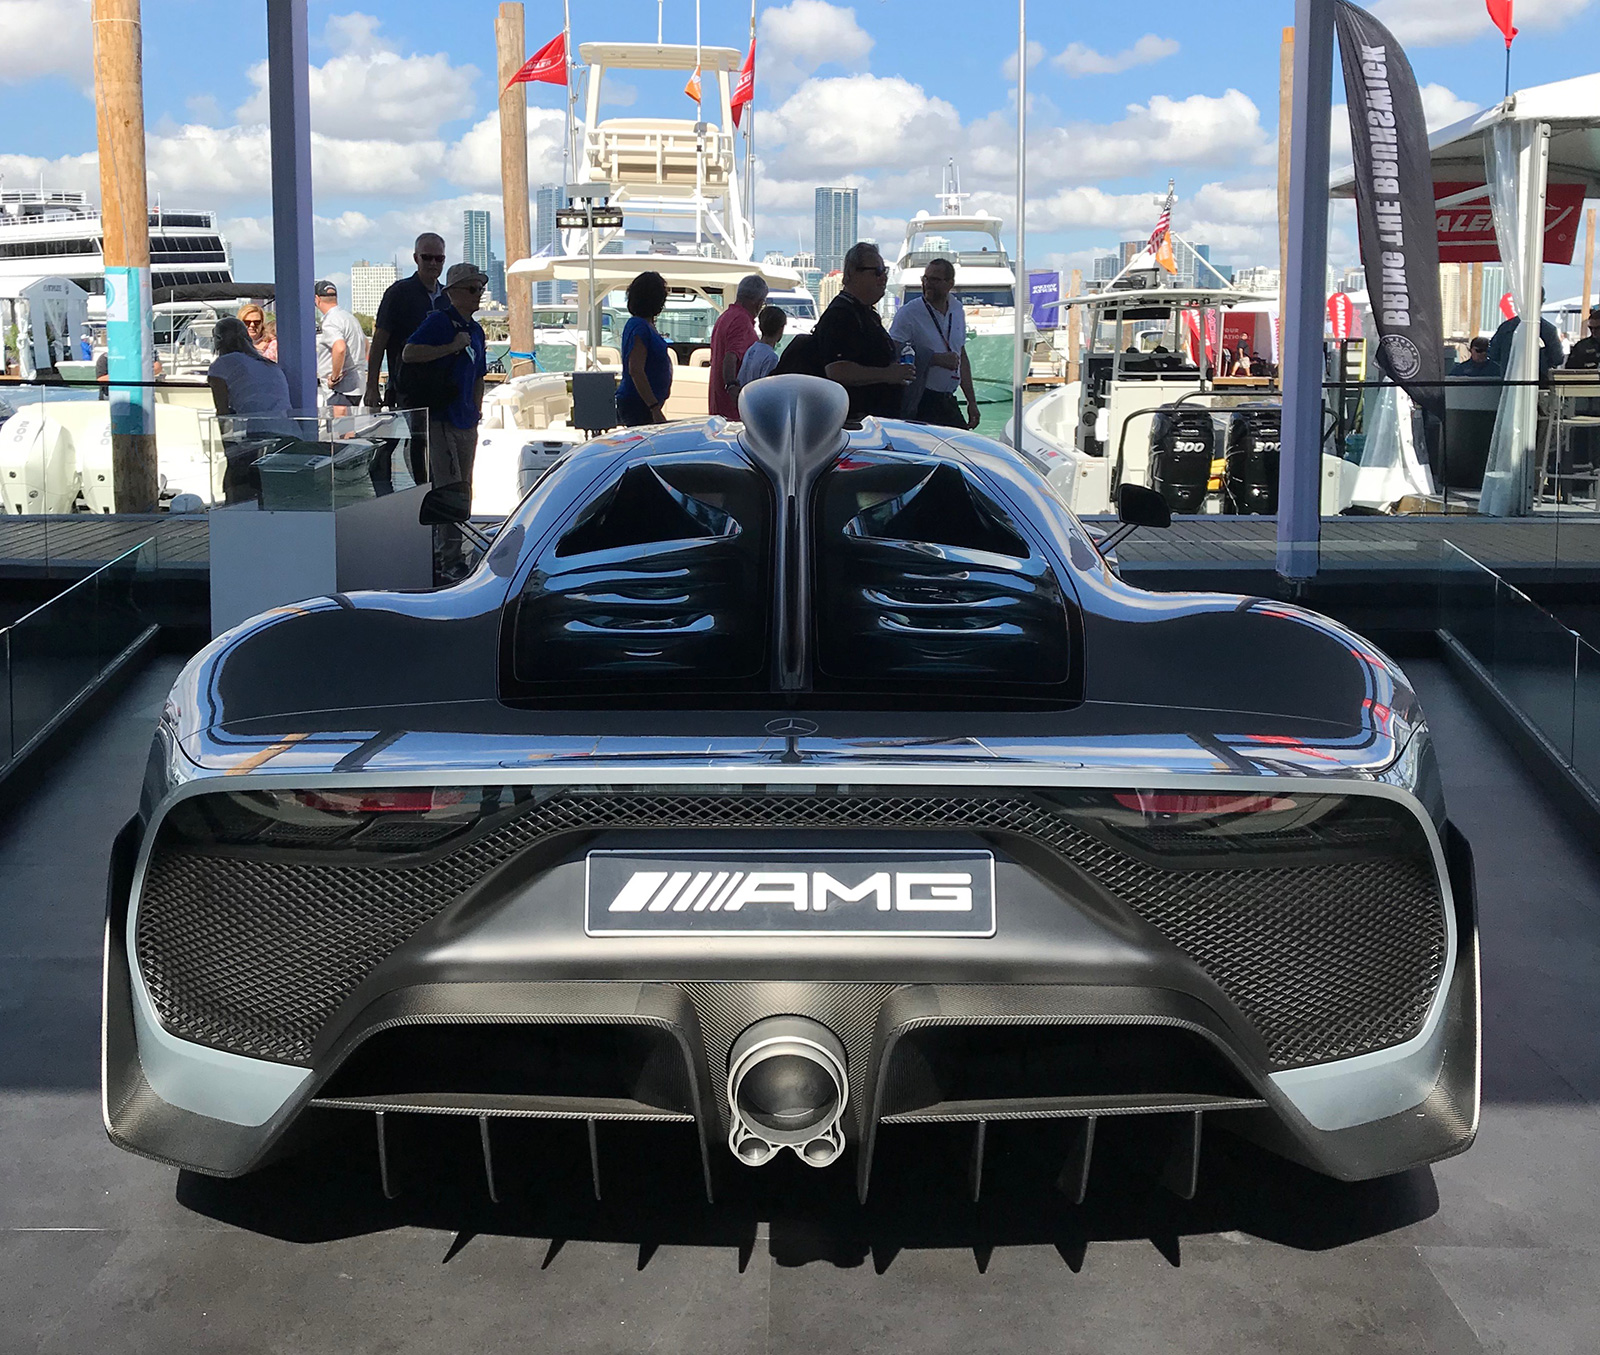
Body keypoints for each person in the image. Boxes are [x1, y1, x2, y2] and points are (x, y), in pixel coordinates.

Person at [402, 261, 489, 488]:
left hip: (467, 421)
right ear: (452, 292)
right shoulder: (439, 321)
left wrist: (476, 411)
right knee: (447, 484)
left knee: (464, 484)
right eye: (472, 289)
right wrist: (451, 347)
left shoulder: (477, 330)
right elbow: (409, 353)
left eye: (480, 289)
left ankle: (461, 513)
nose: (478, 294)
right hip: (442, 417)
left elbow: (479, 375)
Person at [811, 242, 915, 421]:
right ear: (852, 273)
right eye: (877, 271)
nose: (883, 278)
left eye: (885, 271)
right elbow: (837, 371)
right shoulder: (841, 315)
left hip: (873, 421)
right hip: (855, 425)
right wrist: (888, 374)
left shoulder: (865, 313)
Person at [207, 315, 294, 501]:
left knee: (236, 487)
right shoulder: (268, 364)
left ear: (218, 340)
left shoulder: (221, 365)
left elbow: (223, 413)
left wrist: (229, 453)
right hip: (290, 433)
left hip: (257, 436)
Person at [888, 257, 980, 429]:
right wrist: (934, 359)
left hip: (947, 398)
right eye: (925, 279)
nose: (927, 284)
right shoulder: (909, 313)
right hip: (922, 400)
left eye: (934, 280)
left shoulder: (957, 310)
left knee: (961, 441)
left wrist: (971, 402)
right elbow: (893, 353)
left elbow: (961, 355)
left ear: (950, 284)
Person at [366, 232, 446, 410]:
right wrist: (372, 386)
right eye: (427, 257)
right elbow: (379, 341)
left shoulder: (448, 297)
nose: (433, 263)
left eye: (439, 258)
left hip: (442, 391)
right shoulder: (398, 293)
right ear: (416, 258)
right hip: (405, 390)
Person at [615, 270, 672, 426]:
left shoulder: (645, 325)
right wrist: (654, 407)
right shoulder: (639, 327)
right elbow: (636, 370)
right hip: (640, 406)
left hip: (644, 405)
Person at [709, 274, 767, 418]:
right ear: (758, 303)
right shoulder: (741, 321)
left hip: (719, 404)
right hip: (733, 409)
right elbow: (731, 357)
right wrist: (732, 387)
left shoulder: (725, 317)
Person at [1487, 290, 1565, 380]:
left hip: (1509, 380)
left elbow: (1493, 354)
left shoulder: (1505, 328)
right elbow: (1557, 358)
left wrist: (1507, 364)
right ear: (1542, 301)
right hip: (1538, 382)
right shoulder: (1548, 330)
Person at [313, 280, 367, 407]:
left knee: (340, 420)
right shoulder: (350, 318)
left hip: (340, 389)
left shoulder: (330, 321)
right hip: (357, 384)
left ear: (317, 299)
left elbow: (340, 347)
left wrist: (334, 377)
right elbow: (366, 344)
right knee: (350, 419)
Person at [737, 306, 786, 388]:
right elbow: (767, 387)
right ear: (781, 329)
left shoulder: (751, 349)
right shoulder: (771, 358)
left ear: (760, 327)